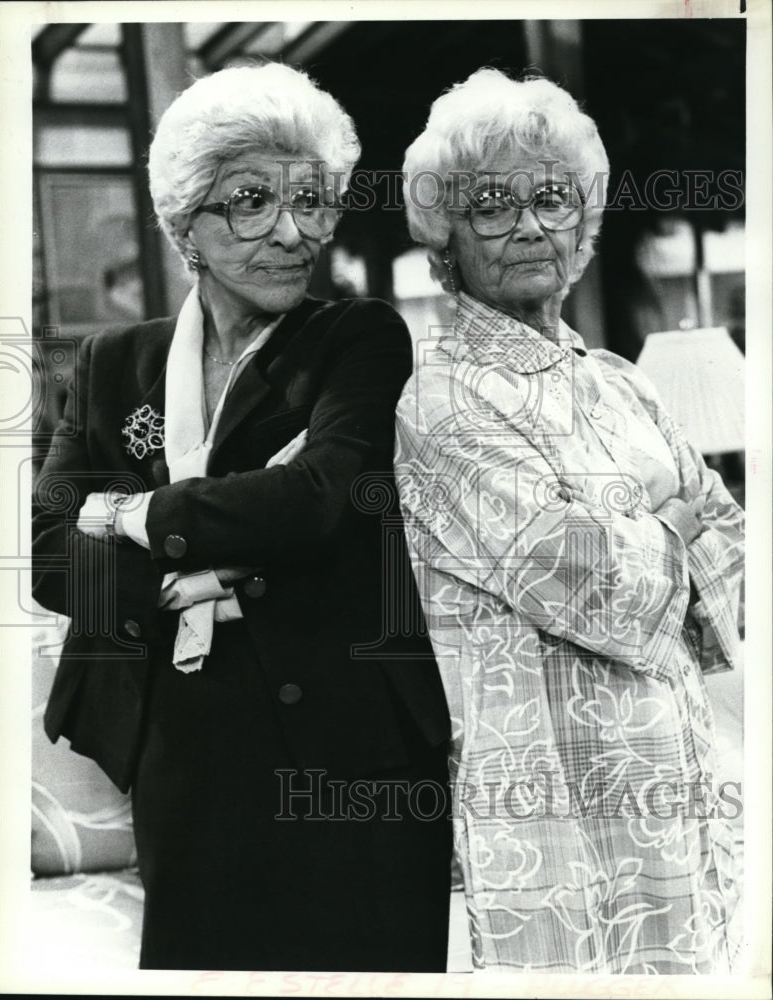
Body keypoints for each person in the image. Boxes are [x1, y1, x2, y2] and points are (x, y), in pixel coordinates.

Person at [33, 63, 452, 972]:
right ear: (185, 223)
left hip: (355, 756)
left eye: (313, 202)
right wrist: (200, 560)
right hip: (187, 754)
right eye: (252, 202)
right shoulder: (113, 364)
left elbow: (319, 499)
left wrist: (133, 514)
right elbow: (48, 555)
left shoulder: (358, 338)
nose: (292, 233)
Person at [395, 69, 744, 974]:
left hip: (681, 774)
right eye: (490, 206)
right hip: (550, 798)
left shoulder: (622, 380)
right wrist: (668, 521)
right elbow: (596, 582)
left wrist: (660, 528)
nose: (529, 225)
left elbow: (736, 546)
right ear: (444, 241)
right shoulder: (441, 399)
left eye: (551, 198)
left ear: (583, 220)